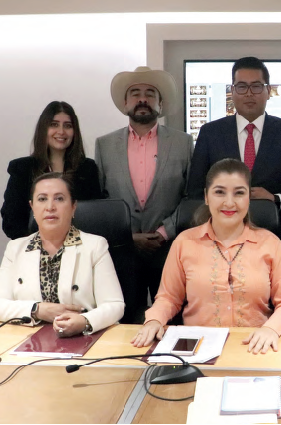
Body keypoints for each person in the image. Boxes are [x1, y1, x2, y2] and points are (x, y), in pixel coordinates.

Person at [132, 159, 281, 354]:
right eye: (219, 192)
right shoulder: (185, 242)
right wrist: (154, 320)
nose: (229, 202)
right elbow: (169, 298)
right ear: (206, 197)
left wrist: (271, 329)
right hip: (197, 348)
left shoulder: (270, 243)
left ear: (249, 198)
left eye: (239, 193)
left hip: (254, 347)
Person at [187, 56, 281, 255]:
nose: (249, 93)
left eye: (256, 86)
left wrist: (275, 199)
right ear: (232, 91)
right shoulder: (210, 133)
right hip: (218, 242)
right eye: (241, 87)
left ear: (268, 91)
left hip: (271, 241)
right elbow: (195, 191)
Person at [95, 66, 193, 323]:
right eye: (135, 93)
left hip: (169, 249)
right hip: (123, 251)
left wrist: (163, 232)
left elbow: (190, 197)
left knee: (174, 320)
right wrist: (128, 236)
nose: (142, 99)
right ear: (125, 103)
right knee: (125, 322)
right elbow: (102, 202)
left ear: (160, 104)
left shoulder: (183, 143)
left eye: (150, 94)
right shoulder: (104, 145)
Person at [0, 173, 124, 336]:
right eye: (42, 199)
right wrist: (38, 309)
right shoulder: (15, 248)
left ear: (73, 206)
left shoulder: (95, 246)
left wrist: (85, 321)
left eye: (59, 199)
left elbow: (115, 305)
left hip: (83, 337)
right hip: (28, 339)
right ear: (32, 207)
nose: (50, 207)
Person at [2, 101, 101, 240]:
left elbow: (96, 216)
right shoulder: (22, 168)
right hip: (34, 248)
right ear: (43, 129)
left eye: (68, 125)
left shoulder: (87, 168)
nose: (61, 131)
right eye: (54, 124)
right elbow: (11, 221)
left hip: (81, 247)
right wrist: (44, 245)